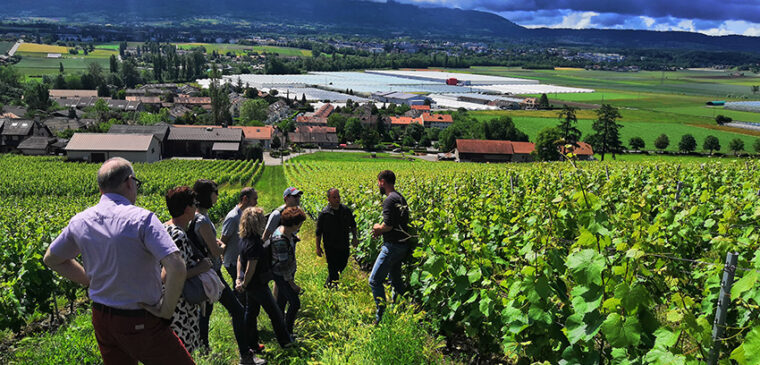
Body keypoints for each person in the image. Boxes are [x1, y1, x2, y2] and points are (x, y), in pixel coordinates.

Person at [43, 157, 194, 365]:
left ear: (100, 188)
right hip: (139, 318)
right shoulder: (143, 219)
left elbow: (52, 259)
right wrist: (166, 311)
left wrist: (91, 281)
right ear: (129, 182)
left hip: (102, 317)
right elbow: (176, 266)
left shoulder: (81, 220)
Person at [192, 180, 262, 365]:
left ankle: (203, 351)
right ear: (207, 195)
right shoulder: (202, 219)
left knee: (206, 312)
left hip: (206, 271)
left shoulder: (197, 217)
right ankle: (245, 356)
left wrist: (216, 244)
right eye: (215, 191)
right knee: (237, 311)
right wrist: (221, 246)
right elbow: (217, 250)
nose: (217, 195)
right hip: (212, 271)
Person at [235, 207, 294, 350]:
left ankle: (252, 344)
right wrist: (244, 283)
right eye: (262, 219)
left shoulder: (244, 239)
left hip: (251, 284)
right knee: (275, 313)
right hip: (257, 284)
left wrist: (239, 278)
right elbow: (251, 267)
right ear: (257, 222)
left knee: (251, 312)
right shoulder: (255, 242)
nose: (264, 221)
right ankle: (285, 342)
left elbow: (239, 259)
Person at [164, 186, 213, 354]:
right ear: (187, 209)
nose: (196, 207)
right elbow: (172, 275)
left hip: (169, 301)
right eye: (194, 204)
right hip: (179, 306)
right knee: (181, 353)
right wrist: (201, 268)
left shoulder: (165, 227)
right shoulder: (179, 236)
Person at [369, 170, 411, 325]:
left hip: (392, 246)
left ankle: (381, 318)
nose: (378, 185)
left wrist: (377, 228)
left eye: (378, 182)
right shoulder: (400, 197)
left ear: (382, 181)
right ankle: (401, 312)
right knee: (396, 280)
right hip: (402, 245)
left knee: (374, 280)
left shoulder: (389, 200)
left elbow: (388, 226)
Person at [262, 187, 302, 309]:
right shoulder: (276, 214)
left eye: (298, 196)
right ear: (286, 198)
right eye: (294, 196)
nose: (298, 199)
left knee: (285, 279)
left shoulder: (297, 212)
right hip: (278, 255)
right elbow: (265, 236)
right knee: (280, 281)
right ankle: (278, 309)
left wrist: (294, 237)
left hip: (289, 252)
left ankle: (279, 307)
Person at [270, 207, 307, 335]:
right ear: (293, 224)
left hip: (283, 274)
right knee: (295, 303)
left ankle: (280, 329)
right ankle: (288, 332)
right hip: (282, 276)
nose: (300, 226)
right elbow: (284, 265)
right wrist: (293, 284)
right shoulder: (280, 239)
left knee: (281, 302)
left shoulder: (285, 231)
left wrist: (294, 238)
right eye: (300, 224)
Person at [316, 188, 358, 288]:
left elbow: (353, 225)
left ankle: (328, 284)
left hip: (344, 244)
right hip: (330, 246)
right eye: (334, 197)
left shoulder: (346, 210)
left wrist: (355, 238)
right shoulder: (324, 214)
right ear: (328, 199)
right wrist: (318, 247)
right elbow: (318, 232)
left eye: (338, 196)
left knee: (343, 264)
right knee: (333, 268)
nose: (337, 199)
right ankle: (333, 288)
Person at [222, 187, 258, 303]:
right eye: (254, 199)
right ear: (245, 199)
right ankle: (239, 316)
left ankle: (241, 315)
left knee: (244, 291)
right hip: (233, 261)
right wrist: (222, 257)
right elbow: (224, 240)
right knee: (241, 292)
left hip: (242, 259)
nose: (256, 202)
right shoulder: (233, 217)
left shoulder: (245, 215)